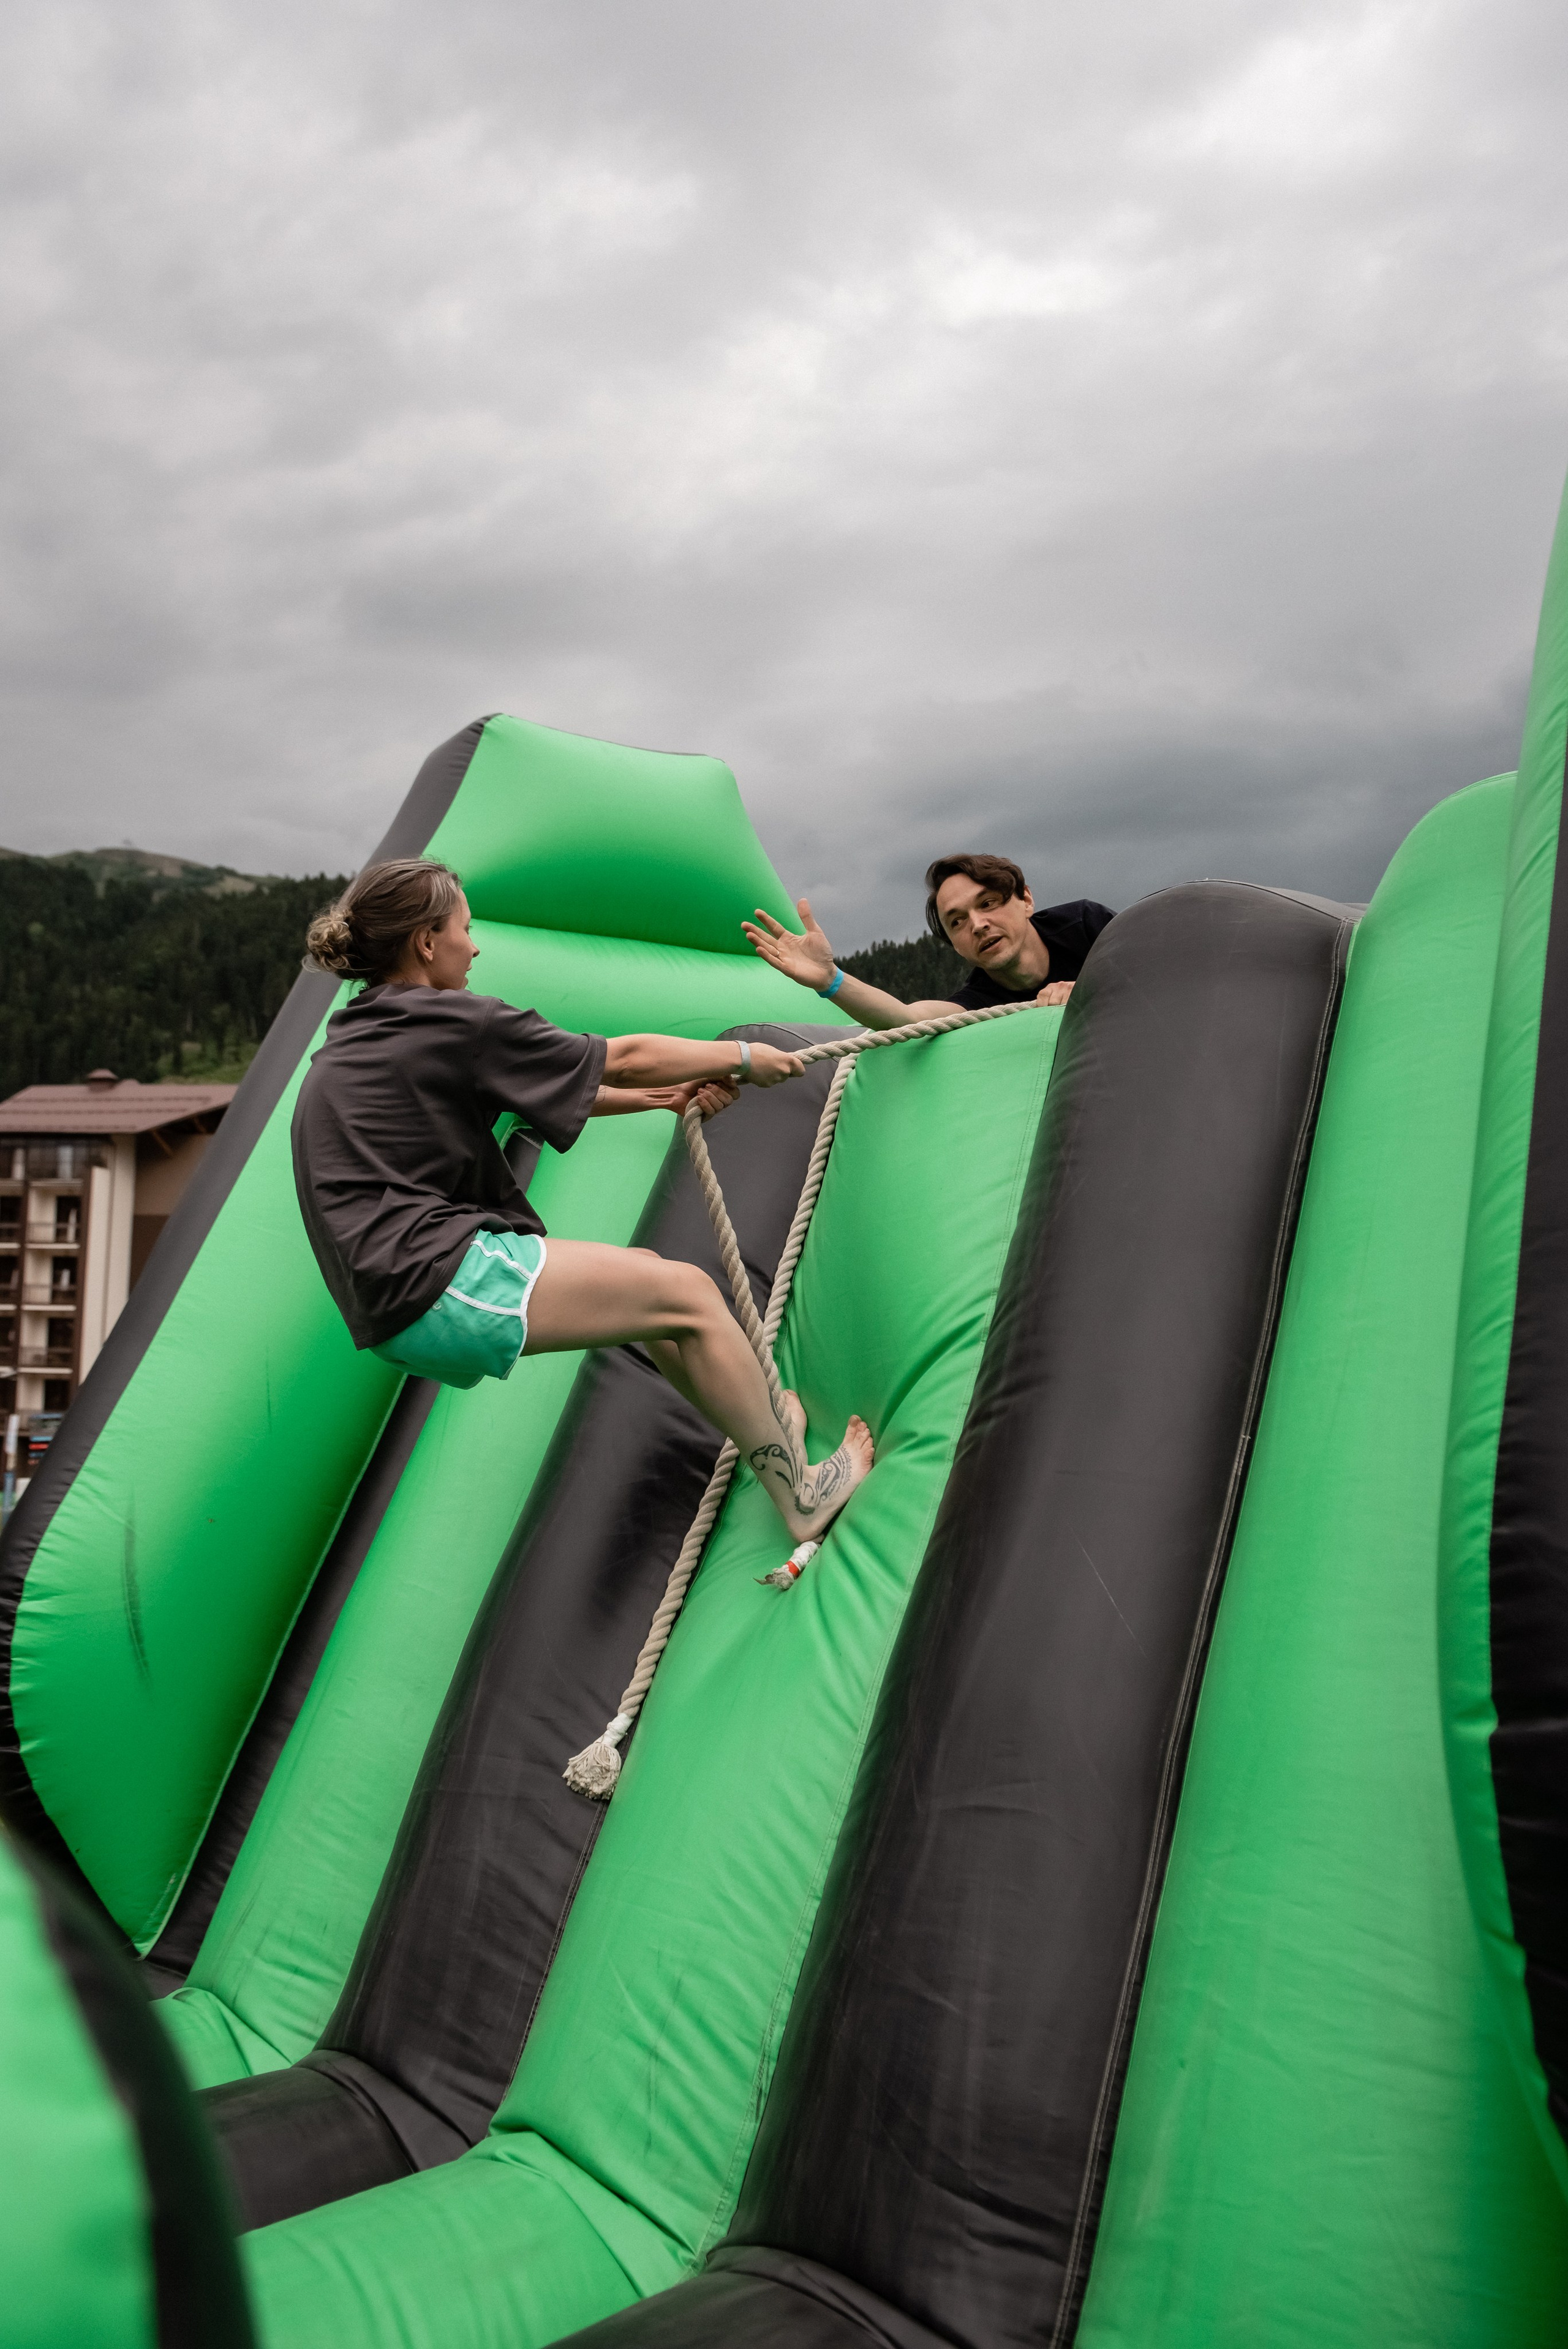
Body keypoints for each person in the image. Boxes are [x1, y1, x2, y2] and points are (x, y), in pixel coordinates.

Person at [292, 857, 873, 1547]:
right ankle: (802, 1495)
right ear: (425, 941)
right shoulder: (447, 1020)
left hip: (398, 1299)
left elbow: (568, 1084)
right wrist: (741, 1057)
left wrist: (663, 1100)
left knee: (662, 1310)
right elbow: (618, 1055)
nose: (474, 947)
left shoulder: (373, 1029)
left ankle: (769, 1431)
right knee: (686, 1292)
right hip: (433, 1279)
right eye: (464, 929)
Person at [742, 853, 1115, 1031]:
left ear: (1026, 900)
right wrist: (830, 980)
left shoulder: (1086, 925)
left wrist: (1088, 988)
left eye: (988, 904)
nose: (979, 925)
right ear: (955, 944)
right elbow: (905, 1018)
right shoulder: (977, 1003)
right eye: (958, 922)